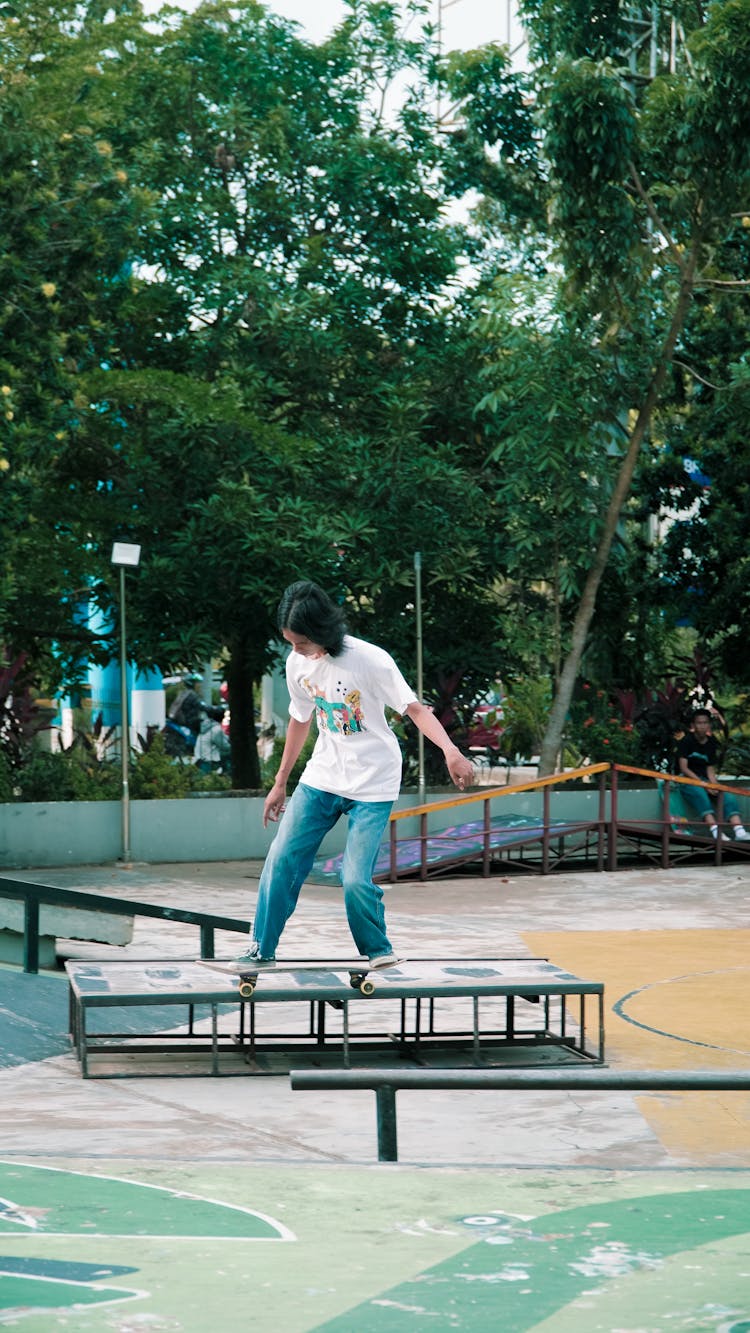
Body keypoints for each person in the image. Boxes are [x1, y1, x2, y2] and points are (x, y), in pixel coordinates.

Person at [236, 580, 475, 969]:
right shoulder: (297, 664)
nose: (295, 651)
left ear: (320, 632)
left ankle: (377, 950)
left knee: (354, 879)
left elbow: (414, 709)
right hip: (323, 777)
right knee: (281, 858)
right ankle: (261, 948)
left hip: (373, 782)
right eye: (290, 643)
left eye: (300, 643)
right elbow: (300, 720)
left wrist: (450, 751)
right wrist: (280, 782)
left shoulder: (370, 660)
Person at [676, 708, 749, 841]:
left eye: (705, 723)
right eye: (699, 723)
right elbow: (684, 768)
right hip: (687, 780)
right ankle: (715, 831)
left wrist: (714, 784)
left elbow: (710, 768)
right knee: (700, 794)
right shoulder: (686, 741)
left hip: (705, 779)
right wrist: (704, 785)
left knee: (726, 794)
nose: (702, 726)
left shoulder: (711, 742)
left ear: (709, 725)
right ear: (693, 725)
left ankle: (739, 830)